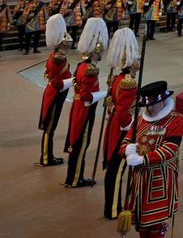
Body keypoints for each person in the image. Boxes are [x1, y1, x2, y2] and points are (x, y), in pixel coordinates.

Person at [118, 80, 183, 238]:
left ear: (162, 102)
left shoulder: (175, 120)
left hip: (160, 178)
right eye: (146, 105)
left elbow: (170, 149)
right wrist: (126, 150)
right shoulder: (141, 120)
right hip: (140, 179)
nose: (148, 108)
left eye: (152, 104)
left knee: (155, 223)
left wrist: (143, 159)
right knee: (142, 223)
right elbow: (126, 141)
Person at [101, 28, 141, 220]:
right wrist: (129, 127)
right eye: (137, 58)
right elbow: (124, 110)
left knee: (114, 168)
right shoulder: (129, 81)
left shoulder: (119, 78)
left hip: (116, 124)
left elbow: (112, 103)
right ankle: (113, 208)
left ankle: (112, 205)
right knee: (117, 170)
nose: (139, 61)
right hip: (122, 128)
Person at [64, 18, 109, 188]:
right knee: (81, 145)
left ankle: (73, 177)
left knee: (76, 144)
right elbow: (86, 97)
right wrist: (106, 92)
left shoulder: (81, 65)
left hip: (78, 109)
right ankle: (76, 179)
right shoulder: (90, 70)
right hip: (84, 109)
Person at [39, 14, 72, 167]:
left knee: (50, 127)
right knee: (50, 128)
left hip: (54, 93)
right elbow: (59, 83)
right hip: (55, 94)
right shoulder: (60, 58)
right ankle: (46, 157)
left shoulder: (56, 55)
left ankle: (48, 155)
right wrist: (74, 80)